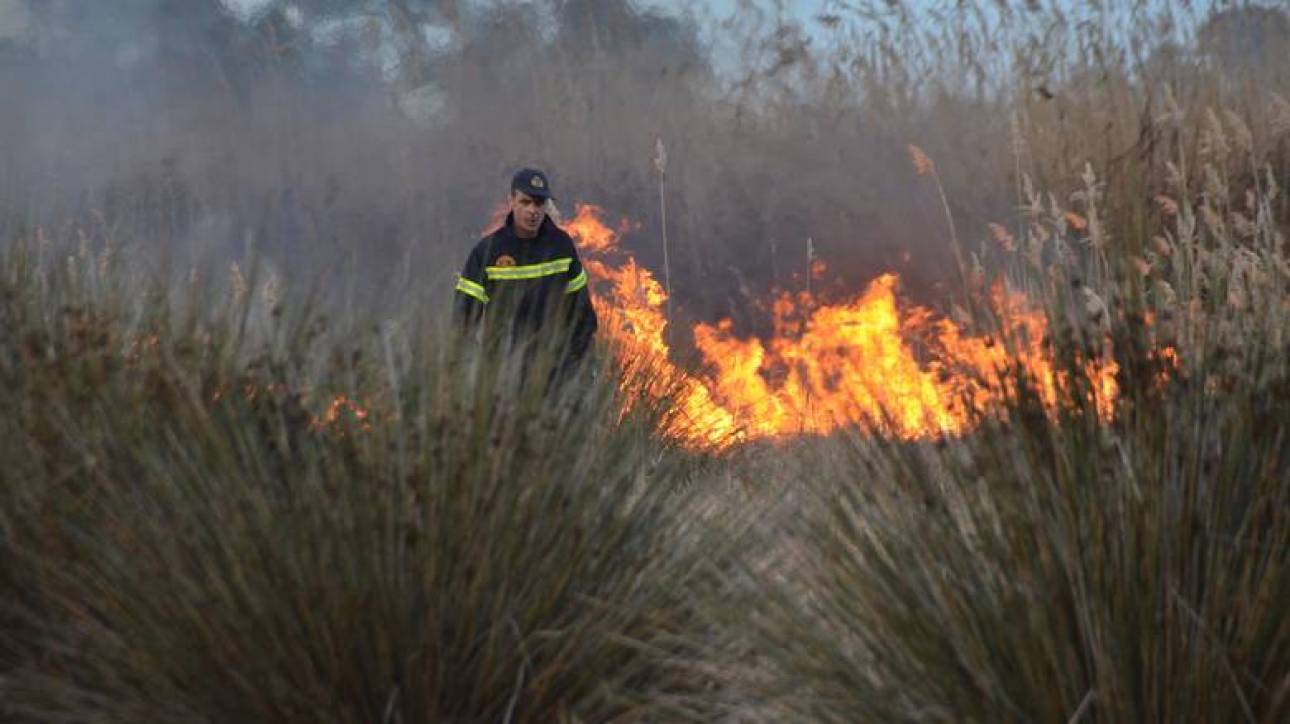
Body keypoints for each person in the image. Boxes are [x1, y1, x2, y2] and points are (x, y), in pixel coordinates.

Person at [453, 168, 598, 383]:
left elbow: (583, 315)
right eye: (525, 202)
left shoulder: (561, 246)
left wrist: (573, 364)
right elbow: (463, 318)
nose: (533, 211)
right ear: (511, 201)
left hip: (555, 375)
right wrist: (473, 368)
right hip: (503, 376)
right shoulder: (488, 251)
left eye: (539, 203)